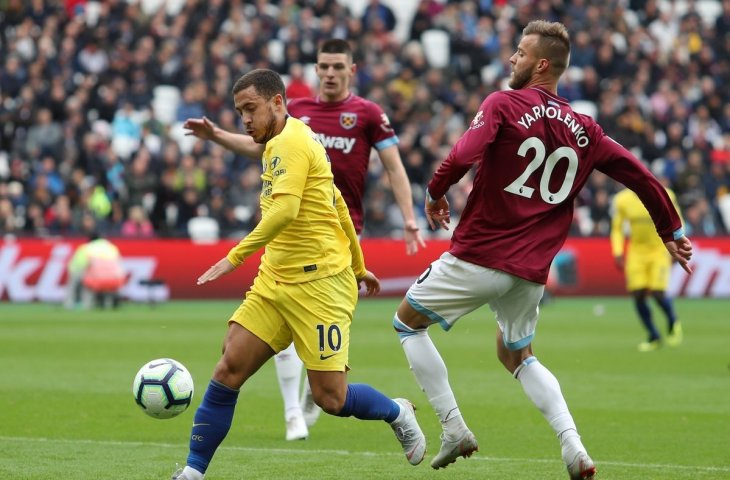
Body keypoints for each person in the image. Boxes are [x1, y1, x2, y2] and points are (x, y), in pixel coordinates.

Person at [390, 20, 693, 479]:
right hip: (530, 271)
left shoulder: (503, 103)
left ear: (541, 64)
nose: (512, 58)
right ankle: (573, 447)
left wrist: (434, 193)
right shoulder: (586, 129)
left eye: (519, 52)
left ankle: (453, 427)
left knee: (407, 325)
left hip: (478, 254)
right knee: (517, 355)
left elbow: (463, 152)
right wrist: (670, 229)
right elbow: (639, 174)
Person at [171, 69, 426, 480]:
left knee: (330, 397)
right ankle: (192, 472)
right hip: (276, 279)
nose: (246, 120)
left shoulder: (291, 142)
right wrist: (361, 266)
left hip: (320, 284)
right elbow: (337, 203)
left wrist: (234, 258)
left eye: (250, 109)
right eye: (240, 112)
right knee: (229, 368)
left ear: (277, 102)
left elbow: (286, 212)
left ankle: (397, 411)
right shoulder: (283, 140)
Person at [611, 186, 684, 351]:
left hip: (659, 250)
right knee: (638, 294)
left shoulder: (665, 194)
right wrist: (617, 251)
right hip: (636, 251)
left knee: (658, 293)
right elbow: (617, 228)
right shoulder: (622, 200)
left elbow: (677, 220)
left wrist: (677, 246)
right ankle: (654, 336)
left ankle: (672, 320)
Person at [64, 232, 126, 310]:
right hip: (115, 279)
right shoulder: (112, 247)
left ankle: (78, 305)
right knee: (108, 286)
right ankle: (108, 305)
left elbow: (77, 266)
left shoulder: (86, 248)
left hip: (96, 279)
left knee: (83, 282)